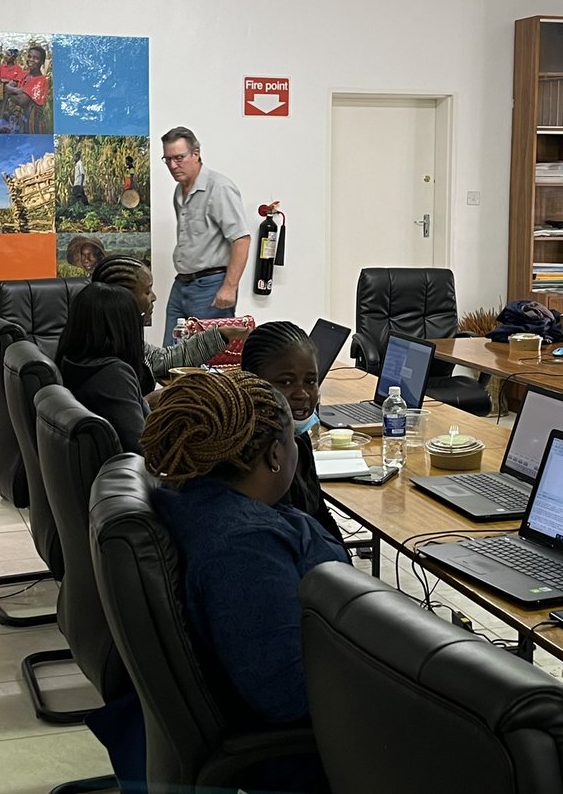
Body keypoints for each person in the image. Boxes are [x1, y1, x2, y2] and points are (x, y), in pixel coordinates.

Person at [142, 370, 345, 791]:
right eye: (293, 440)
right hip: (311, 753)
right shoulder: (244, 549)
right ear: (274, 454)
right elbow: (288, 694)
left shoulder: (188, 498)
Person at [241, 321, 344, 543]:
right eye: (286, 382)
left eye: (311, 382)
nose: (303, 394)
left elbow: (319, 513)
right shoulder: (248, 454)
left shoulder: (299, 439)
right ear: (251, 380)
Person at [161, 126, 251, 345]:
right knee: (170, 356)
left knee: (208, 357)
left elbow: (241, 238)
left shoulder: (219, 188)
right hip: (182, 283)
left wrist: (230, 287)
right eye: (168, 159)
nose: (173, 165)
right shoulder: (179, 190)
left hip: (211, 286)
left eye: (179, 158)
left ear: (196, 154)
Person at [91, 254, 249, 377]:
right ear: (123, 298)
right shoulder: (108, 360)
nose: (154, 297)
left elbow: (163, 360)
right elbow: (130, 410)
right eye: (147, 291)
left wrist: (222, 334)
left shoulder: (118, 337)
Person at [55, 282, 153, 454]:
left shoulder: (71, 361)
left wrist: (143, 401)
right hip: (138, 475)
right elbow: (142, 447)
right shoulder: (114, 375)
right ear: (125, 329)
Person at [5, 44, 49, 112]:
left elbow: (21, 101)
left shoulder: (41, 81)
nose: (31, 60)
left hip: (29, 120)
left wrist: (9, 90)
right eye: (29, 56)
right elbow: (9, 85)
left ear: (42, 62)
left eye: (36, 58)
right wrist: (18, 91)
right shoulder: (24, 74)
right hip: (16, 118)